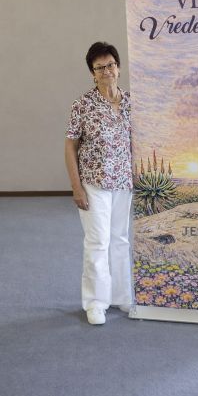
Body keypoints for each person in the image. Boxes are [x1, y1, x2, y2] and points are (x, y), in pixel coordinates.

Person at [65, 41, 133, 325]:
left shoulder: (130, 102)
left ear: (119, 67)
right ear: (92, 73)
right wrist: (76, 187)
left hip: (124, 182)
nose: (107, 71)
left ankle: (122, 296)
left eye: (111, 65)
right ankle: (95, 302)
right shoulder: (82, 105)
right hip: (94, 182)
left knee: (120, 240)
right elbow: (70, 147)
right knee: (98, 241)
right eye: (100, 67)